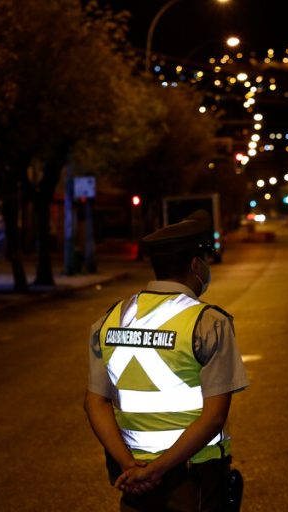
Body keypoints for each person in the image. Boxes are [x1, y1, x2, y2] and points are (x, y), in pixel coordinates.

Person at [84, 209, 249, 512]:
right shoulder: (208, 322)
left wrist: (130, 467)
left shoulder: (111, 319)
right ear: (196, 265)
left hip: (133, 476)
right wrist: (157, 471)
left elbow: (95, 402)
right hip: (193, 479)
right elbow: (214, 416)